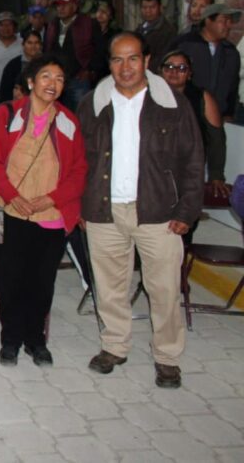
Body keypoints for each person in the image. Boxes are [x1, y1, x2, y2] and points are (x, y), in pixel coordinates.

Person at [78, 33, 203, 389]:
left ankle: (167, 357)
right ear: (109, 63)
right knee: (109, 286)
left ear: (146, 61)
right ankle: (114, 346)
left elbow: (194, 159)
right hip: (104, 208)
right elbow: (78, 160)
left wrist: (187, 210)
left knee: (164, 289)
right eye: (117, 59)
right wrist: (80, 205)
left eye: (133, 58)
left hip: (159, 211)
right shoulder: (92, 104)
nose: (126, 67)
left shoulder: (172, 104)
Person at [0, 56, 87, 367]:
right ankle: (10, 340)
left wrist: (53, 199)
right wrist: (12, 196)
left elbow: (79, 171)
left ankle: (36, 340)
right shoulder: (8, 115)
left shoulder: (69, 121)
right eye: (46, 76)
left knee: (42, 283)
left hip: (52, 215)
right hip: (14, 212)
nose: (52, 83)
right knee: (11, 280)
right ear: (31, 82)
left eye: (59, 78)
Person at [159, 50, 229, 207]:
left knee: (185, 211)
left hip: (189, 167)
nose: (174, 72)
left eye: (181, 68)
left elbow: (216, 139)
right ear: (160, 71)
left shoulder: (202, 97)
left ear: (190, 73)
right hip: (152, 167)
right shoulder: (146, 95)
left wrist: (216, 176)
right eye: (169, 67)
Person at [171, 3, 242, 120]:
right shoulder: (185, 45)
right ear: (208, 20)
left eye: (230, 21)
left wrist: (229, 114)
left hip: (218, 118)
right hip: (186, 116)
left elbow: (233, 88)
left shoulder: (231, 52)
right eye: (224, 20)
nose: (228, 25)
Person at [44, 0, 100, 111]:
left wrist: (90, 70)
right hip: (56, 79)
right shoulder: (53, 25)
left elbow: (99, 50)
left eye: (65, 5)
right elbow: (47, 49)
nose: (61, 8)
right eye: (58, 5)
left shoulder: (89, 24)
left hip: (79, 79)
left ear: (74, 7)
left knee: (81, 112)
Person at [134, 0, 177, 74]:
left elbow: (163, 57)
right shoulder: (139, 29)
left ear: (160, 8)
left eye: (152, 7)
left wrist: (144, 70)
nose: (148, 11)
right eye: (144, 7)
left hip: (154, 73)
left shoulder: (167, 30)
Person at [0, 31, 43, 105]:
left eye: (36, 43)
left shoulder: (47, 65)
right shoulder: (13, 65)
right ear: (23, 45)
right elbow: (5, 91)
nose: (33, 46)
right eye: (29, 43)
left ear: (41, 45)